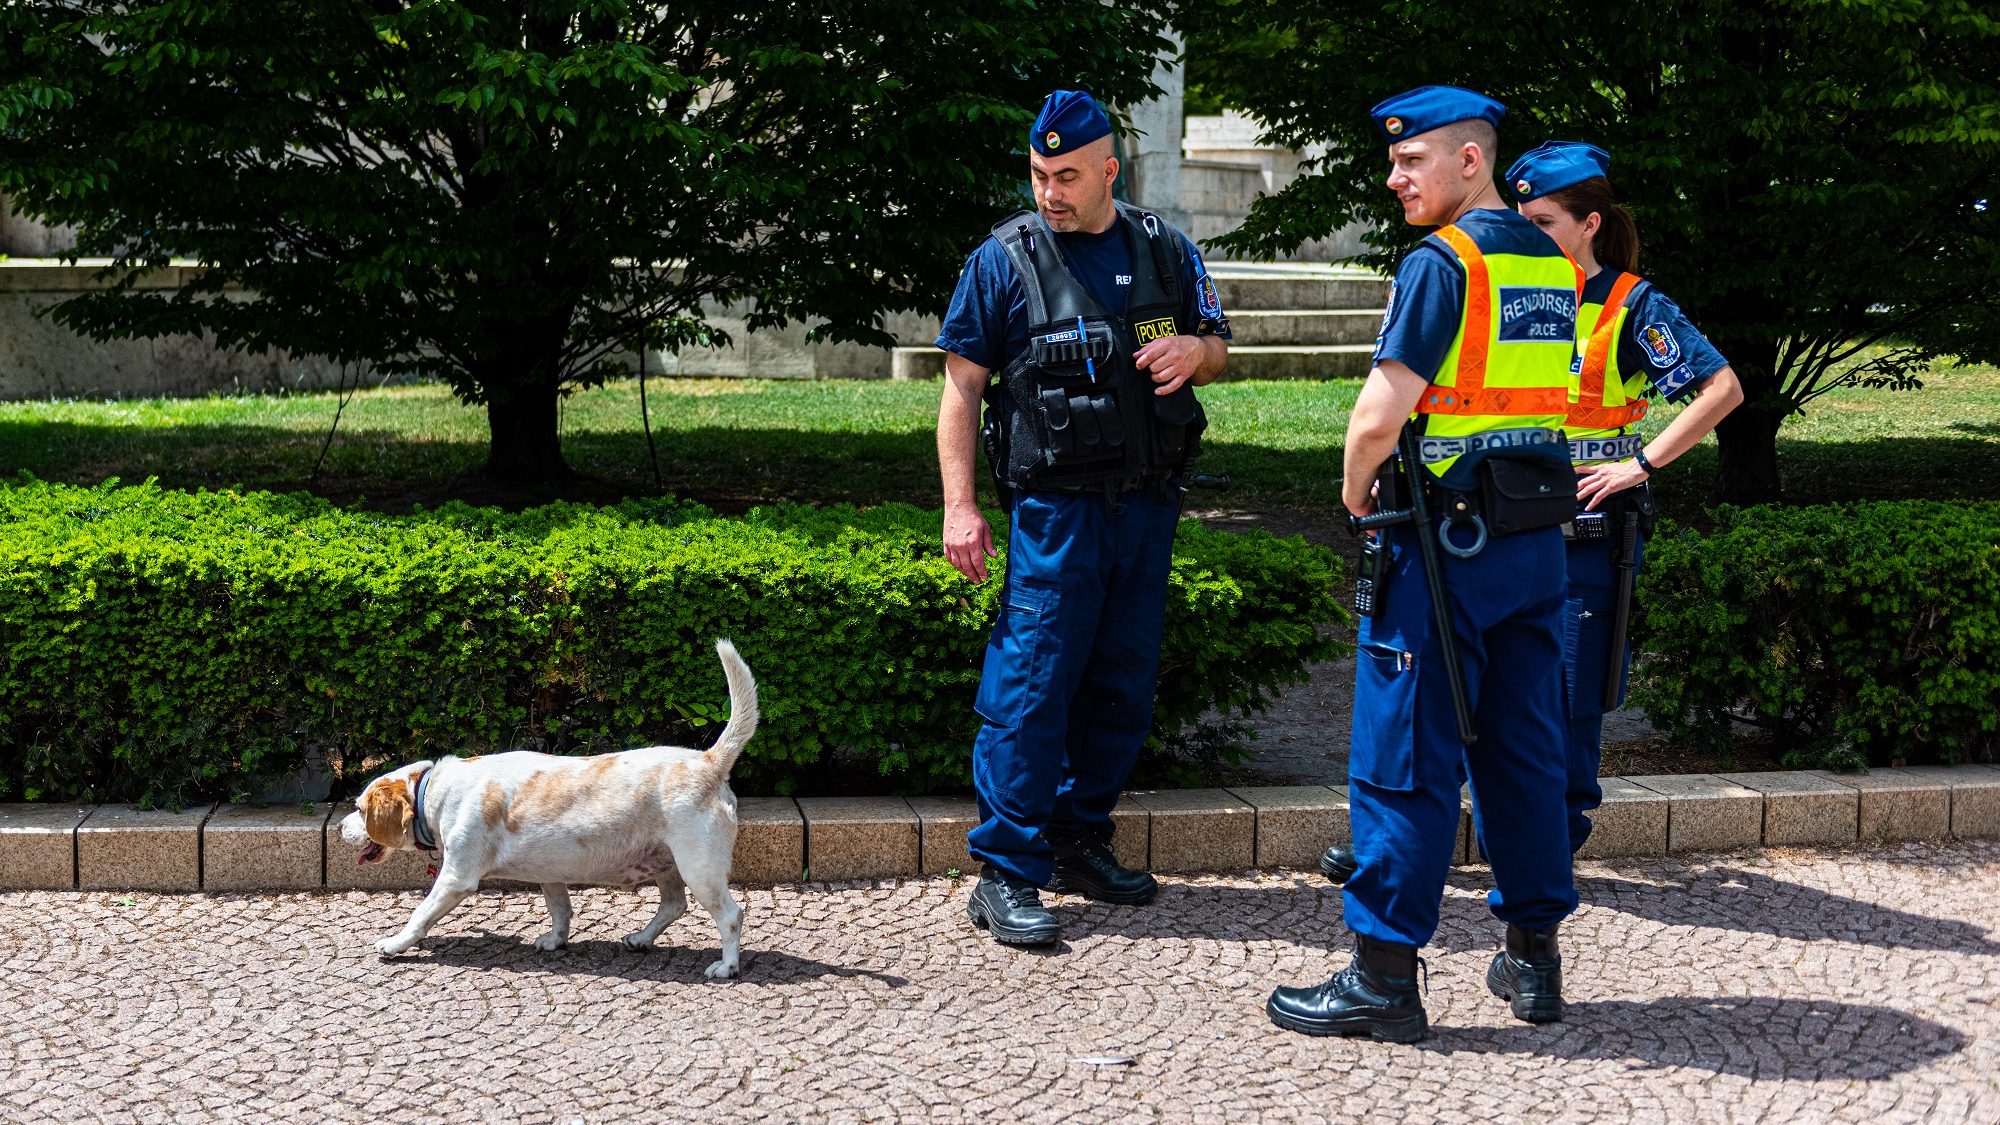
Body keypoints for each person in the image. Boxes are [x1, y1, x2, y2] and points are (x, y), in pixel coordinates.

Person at [1266, 86, 1580, 1041]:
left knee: (1404, 761)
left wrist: (1355, 491)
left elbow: (1379, 413)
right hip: (1533, 543)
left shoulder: (1443, 263)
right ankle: (1534, 961)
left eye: (1412, 162)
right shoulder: (1552, 263)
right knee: (1527, 755)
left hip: (1443, 546)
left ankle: (1383, 979)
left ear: (1471, 163)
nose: (1395, 177)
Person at [934, 89, 1231, 947]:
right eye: (1038, 174)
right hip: (1054, 513)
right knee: (1032, 688)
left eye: (1067, 175)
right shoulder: (1004, 261)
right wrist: (962, 507)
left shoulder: (1165, 249)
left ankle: (1077, 838)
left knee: (1121, 684)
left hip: (1146, 507)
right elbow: (960, 389)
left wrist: (1194, 353)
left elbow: (1217, 345)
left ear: (1111, 170)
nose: (1049, 191)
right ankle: (1004, 868)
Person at [1507, 141, 1743, 852]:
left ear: (1592, 224)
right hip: (1508, 528)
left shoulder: (1631, 304)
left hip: (1586, 538)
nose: (1530, 234)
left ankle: (1550, 848)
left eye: (1544, 221)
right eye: (1523, 220)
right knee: (1499, 695)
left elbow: (1722, 389)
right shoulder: (1511, 297)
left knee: (1571, 700)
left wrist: (1639, 463)